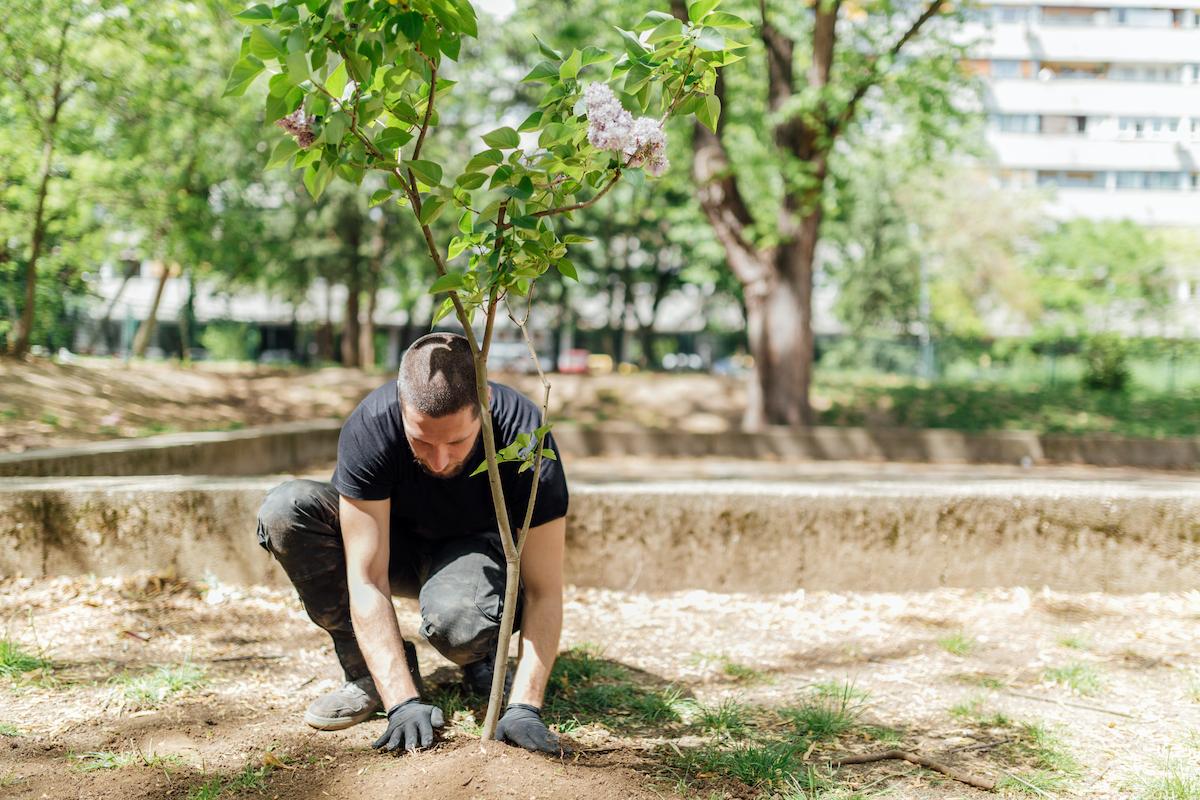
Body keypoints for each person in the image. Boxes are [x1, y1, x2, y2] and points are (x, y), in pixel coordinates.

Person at [254, 332, 569, 755]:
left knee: (459, 622)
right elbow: (365, 580)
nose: (439, 460)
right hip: (395, 546)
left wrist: (526, 705)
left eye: (457, 442)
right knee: (286, 510)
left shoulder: (524, 436)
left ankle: (479, 654)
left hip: (473, 554)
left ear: (485, 402)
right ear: (401, 405)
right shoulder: (371, 426)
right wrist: (402, 701)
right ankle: (367, 672)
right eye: (422, 440)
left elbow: (546, 590)